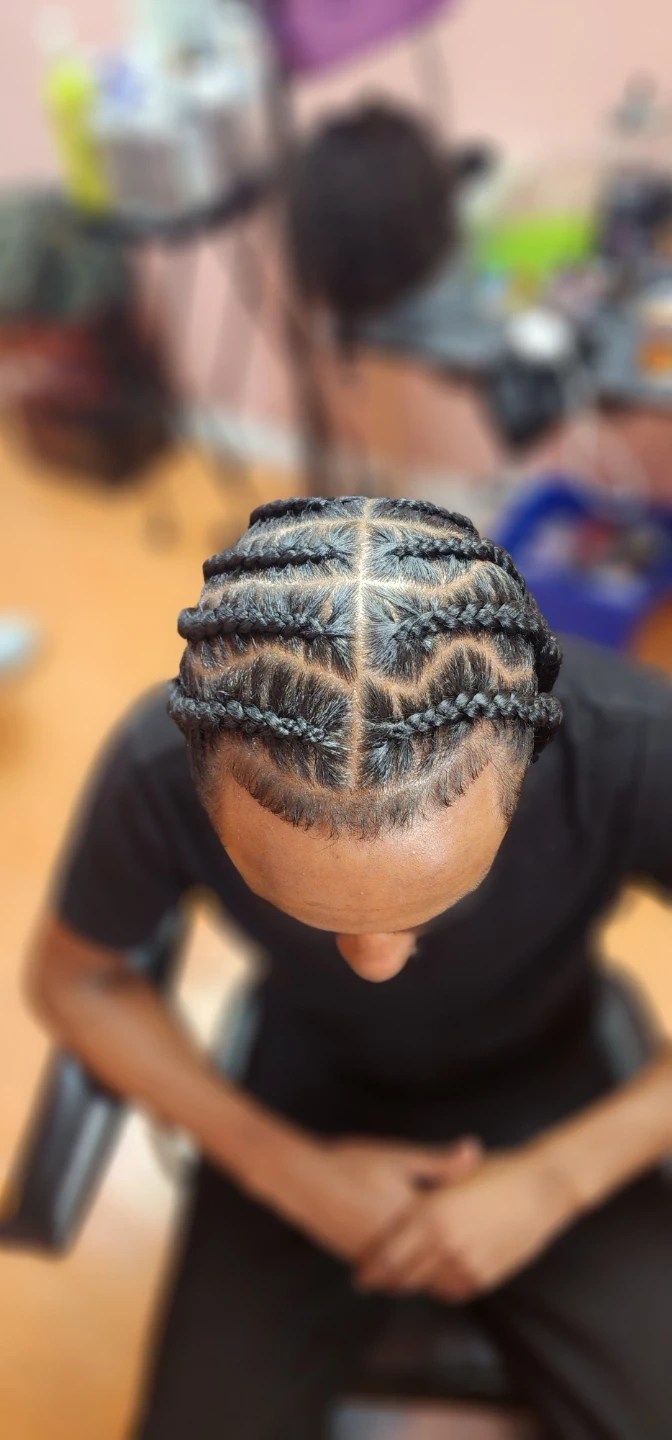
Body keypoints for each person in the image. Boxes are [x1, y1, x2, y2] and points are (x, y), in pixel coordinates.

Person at [30, 494, 672, 1440]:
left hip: (553, 1082)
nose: (377, 966)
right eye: (309, 910)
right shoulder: (157, 767)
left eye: (437, 901)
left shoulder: (635, 744)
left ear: (528, 765)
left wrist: (553, 1182)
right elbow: (74, 980)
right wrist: (285, 1170)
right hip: (306, 1091)